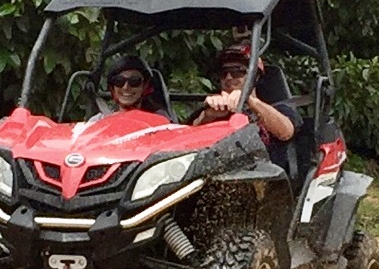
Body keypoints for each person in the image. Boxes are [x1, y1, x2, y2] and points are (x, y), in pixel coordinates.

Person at [192, 45, 299, 174]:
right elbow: (185, 143)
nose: (229, 77)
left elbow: (286, 132)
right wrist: (208, 117)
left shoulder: (276, 108)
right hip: (216, 178)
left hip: (266, 177)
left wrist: (249, 100)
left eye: (237, 71)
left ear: (255, 76)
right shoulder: (211, 109)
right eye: (223, 73)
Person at [103, 54, 168, 117]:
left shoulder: (160, 118)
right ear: (112, 88)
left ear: (145, 85)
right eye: (119, 81)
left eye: (134, 81)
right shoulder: (100, 120)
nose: (126, 87)